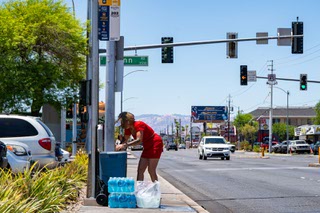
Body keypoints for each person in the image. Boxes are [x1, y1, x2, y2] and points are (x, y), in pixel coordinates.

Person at [115, 112, 163, 182]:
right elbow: (125, 141)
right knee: (140, 169)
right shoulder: (128, 129)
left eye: (122, 122)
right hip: (146, 146)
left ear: (127, 121)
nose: (121, 124)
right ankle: (139, 189)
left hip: (155, 143)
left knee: (151, 170)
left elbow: (139, 140)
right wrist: (120, 143)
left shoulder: (139, 124)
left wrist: (124, 145)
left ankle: (156, 189)